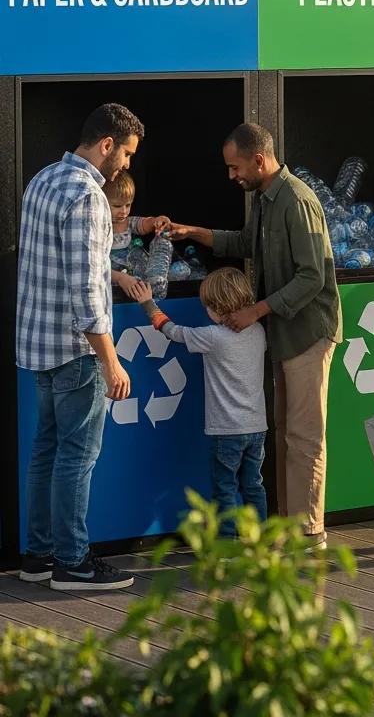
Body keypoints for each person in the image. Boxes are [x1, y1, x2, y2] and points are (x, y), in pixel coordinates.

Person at [169, 124, 342, 548]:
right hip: (283, 333)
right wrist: (194, 233)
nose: (232, 176)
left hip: (307, 333)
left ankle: (309, 532)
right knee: (285, 433)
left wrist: (256, 310)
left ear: (259, 160)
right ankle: (286, 528)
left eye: (235, 167)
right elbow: (245, 242)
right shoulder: (265, 200)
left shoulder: (297, 201)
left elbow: (312, 277)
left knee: (303, 436)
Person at [17, 103, 141, 590]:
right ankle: (73, 562)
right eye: (127, 153)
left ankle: (38, 555)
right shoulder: (88, 196)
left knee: (46, 452)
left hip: (37, 346)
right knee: (77, 457)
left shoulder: (42, 179)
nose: (127, 164)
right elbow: (88, 290)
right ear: (107, 145)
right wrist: (110, 361)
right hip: (76, 351)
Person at [138, 268, 268, 533]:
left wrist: (148, 303)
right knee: (253, 485)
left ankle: (227, 545)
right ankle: (262, 539)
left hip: (226, 431)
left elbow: (172, 331)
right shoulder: (258, 332)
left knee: (225, 489)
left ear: (216, 309)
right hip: (257, 427)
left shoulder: (212, 336)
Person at [102, 170, 170, 302]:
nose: (124, 211)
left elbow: (144, 224)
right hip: (110, 276)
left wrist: (156, 221)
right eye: (117, 206)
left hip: (129, 271)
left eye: (128, 205)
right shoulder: (99, 226)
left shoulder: (128, 222)